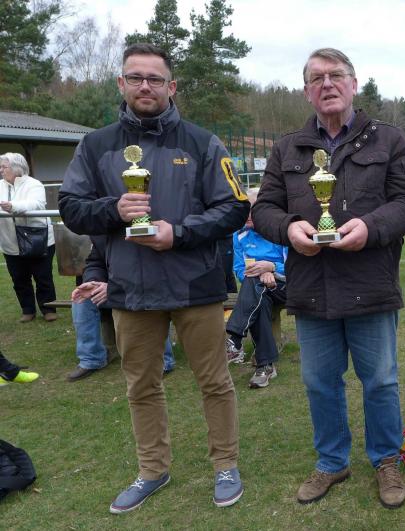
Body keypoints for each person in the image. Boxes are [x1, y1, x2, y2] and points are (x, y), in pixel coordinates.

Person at [58, 43, 250, 513]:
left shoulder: (204, 142)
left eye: (155, 78)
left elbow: (234, 207)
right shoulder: (95, 145)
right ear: (121, 83)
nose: (145, 86)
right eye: (136, 77)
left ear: (172, 86)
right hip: (130, 289)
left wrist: (177, 234)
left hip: (196, 287)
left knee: (215, 382)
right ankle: (152, 470)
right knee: (141, 387)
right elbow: (71, 208)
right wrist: (115, 209)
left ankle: (225, 464)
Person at [252, 47, 405, 509]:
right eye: (317, 78)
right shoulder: (288, 147)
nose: (327, 84)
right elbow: (264, 208)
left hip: (371, 284)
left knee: (381, 381)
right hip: (311, 287)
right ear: (306, 91)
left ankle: (386, 460)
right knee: (319, 382)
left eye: (335, 75)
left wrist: (370, 227)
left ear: (353, 83)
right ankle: (332, 461)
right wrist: (289, 228)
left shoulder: (388, 139)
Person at [68, 239, 175, 382]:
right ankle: (92, 359)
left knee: (146, 298)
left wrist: (113, 288)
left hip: (143, 288)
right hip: (112, 288)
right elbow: (95, 262)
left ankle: (163, 361)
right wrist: (93, 282)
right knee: (81, 300)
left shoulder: (141, 230)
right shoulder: (102, 232)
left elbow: (148, 268)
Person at [225, 188, 288, 389]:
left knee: (255, 287)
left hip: (287, 285)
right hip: (258, 287)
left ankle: (235, 339)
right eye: (245, 210)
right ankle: (265, 366)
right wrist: (261, 274)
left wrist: (272, 268)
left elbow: (295, 267)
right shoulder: (239, 235)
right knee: (259, 297)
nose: (248, 215)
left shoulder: (280, 231)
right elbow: (239, 269)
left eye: (253, 210)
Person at [0, 152, 57, 323]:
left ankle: (48, 309)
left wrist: (12, 206)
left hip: (38, 240)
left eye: (4, 167)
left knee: (43, 277)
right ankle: (28, 310)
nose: (1, 170)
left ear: (16, 168)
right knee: (19, 279)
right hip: (10, 242)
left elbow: (36, 204)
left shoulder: (34, 184)